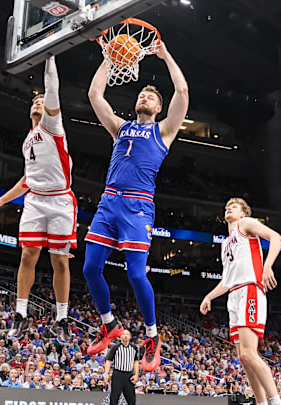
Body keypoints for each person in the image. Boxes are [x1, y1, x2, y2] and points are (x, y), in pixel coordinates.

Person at [83, 39, 189, 373]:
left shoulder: (164, 130)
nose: (145, 97)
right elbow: (95, 96)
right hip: (108, 201)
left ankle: (152, 335)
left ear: (158, 108)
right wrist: (108, 58)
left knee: (134, 273)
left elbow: (183, 92)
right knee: (89, 268)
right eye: (142, 95)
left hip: (138, 207)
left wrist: (166, 54)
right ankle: (109, 324)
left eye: (152, 97)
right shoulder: (120, 128)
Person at [0, 56, 74, 344]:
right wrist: (2, 201)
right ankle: (21, 314)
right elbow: (26, 180)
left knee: (59, 261)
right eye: (34, 100)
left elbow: (53, 86)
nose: (37, 102)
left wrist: (50, 55)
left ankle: (62, 318)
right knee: (27, 255)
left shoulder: (52, 126)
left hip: (60, 200)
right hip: (34, 199)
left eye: (41, 100)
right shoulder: (28, 139)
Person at [200, 198, 281, 405]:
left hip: (250, 289)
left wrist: (267, 266)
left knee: (249, 352)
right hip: (234, 294)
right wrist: (209, 296)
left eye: (234, 207)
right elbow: (227, 281)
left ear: (242, 213)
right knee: (244, 358)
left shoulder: (245, 224)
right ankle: (261, 402)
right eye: (227, 206)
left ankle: (276, 402)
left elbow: (276, 237)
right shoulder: (225, 243)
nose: (228, 208)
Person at [104, 330, 140, 405]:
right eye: (123, 334)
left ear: (130, 336)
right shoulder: (115, 347)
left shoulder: (134, 348)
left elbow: (136, 361)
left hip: (129, 375)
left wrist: (136, 374)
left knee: (132, 399)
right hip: (118, 374)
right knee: (114, 398)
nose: (125, 336)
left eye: (127, 334)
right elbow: (108, 361)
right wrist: (106, 374)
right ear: (120, 336)